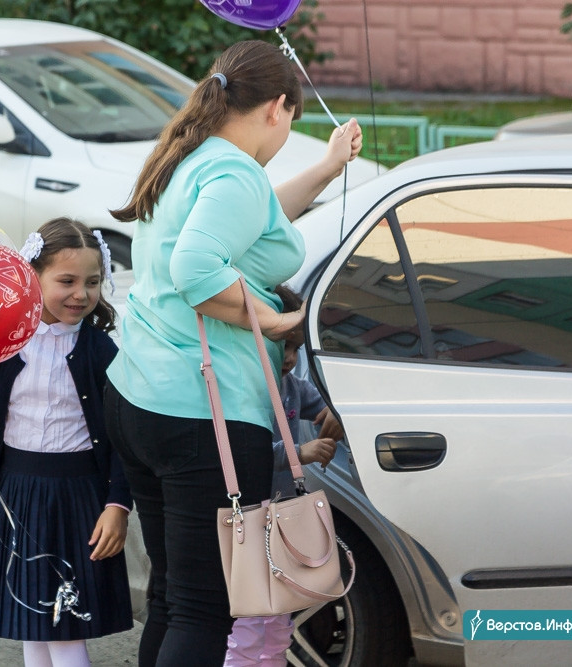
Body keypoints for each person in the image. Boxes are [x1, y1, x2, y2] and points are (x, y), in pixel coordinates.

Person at [102, 40, 362, 666]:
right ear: (278, 106)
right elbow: (198, 265)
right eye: (291, 120)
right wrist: (272, 320)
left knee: (173, 597)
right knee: (202, 611)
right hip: (201, 415)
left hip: (140, 396)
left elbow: (253, 220)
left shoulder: (196, 157)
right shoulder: (234, 173)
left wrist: (326, 170)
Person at [0, 217, 133, 667]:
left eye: (92, 281)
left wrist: (118, 504)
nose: (81, 293)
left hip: (78, 500)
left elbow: (124, 440)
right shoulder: (1, 344)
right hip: (17, 495)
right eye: (66, 280)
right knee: (33, 626)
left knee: (64, 627)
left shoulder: (103, 353)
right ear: (32, 277)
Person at [224, 285, 343, 667]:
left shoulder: (291, 386)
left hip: (282, 520)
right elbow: (245, 455)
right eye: (282, 347)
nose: (289, 358)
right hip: (251, 520)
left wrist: (335, 413)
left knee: (279, 619)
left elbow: (322, 405)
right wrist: (297, 454)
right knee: (248, 621)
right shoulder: (245, 391)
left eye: (295, 348)